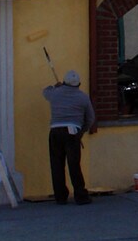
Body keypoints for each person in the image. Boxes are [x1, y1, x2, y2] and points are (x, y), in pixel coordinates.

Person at [41, 70, 96, 205]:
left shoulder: (55, 94)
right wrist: (81, 131)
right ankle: (81, 196)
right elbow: (90, 118)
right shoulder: (83, 97)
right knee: (74, 164)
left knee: (57, 164)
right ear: (79, 84)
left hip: (55, 130)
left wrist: (56, 86)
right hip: (73, 131)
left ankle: (60, 196)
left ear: (64, 82)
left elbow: (45, 91)